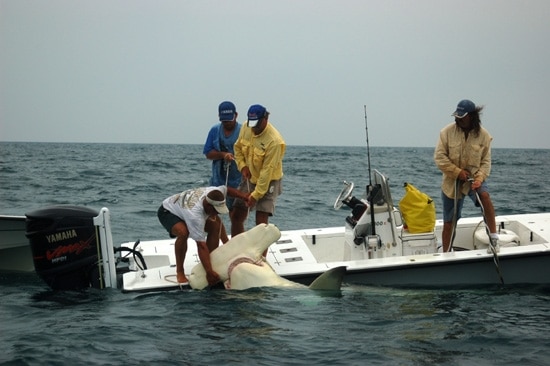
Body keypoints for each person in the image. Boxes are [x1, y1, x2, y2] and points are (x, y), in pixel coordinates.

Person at [434, 99, 499, 253]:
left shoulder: (484, 135)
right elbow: (439, 158)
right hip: (452, 181)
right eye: (457, 116)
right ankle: (446, 252)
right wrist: (457, 172)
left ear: (472, 116)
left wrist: (479, 179)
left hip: (474, 178)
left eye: (462, 117)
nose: (458, 119)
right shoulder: (446, 132)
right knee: (450, 221)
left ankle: (494, 239)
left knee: (485, 196)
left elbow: (486, 161)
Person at [157, 186, 247, 285]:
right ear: (208, 206)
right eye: (216, 210)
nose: (217, 213)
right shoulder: (195, 216)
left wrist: (243, 196)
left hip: (183, 209)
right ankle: (180, 272)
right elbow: (201, 246)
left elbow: (227, 189)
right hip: (168, 211)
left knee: (215, 224)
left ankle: (211, 263)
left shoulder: (214, 192)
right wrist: (209, 273)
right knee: (183, 232)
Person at [232, 104, 286, 242]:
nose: (253, 128)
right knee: (236, 214)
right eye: (251, 124)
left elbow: (267, 172)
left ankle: (259, 259)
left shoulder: (275, 141)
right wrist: (243, 166)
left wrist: (255, 195)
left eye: (256, 124)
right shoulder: (246, 126)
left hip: (269, 181)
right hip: (250, 175)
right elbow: (237, 148)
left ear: (265, 119)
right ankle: (237, 250)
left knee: (261, 222)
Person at [203, 101, 242, 236]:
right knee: (214, 215)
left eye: (229, 120)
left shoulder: (243, 131)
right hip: (218, 181)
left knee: (236, 216)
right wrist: (223, 155)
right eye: (224, 121)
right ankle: (224, 242)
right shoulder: (214, 130)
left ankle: (237, 245)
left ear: (236, 115)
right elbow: (208, 153)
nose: (227, 123)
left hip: (238, 182)